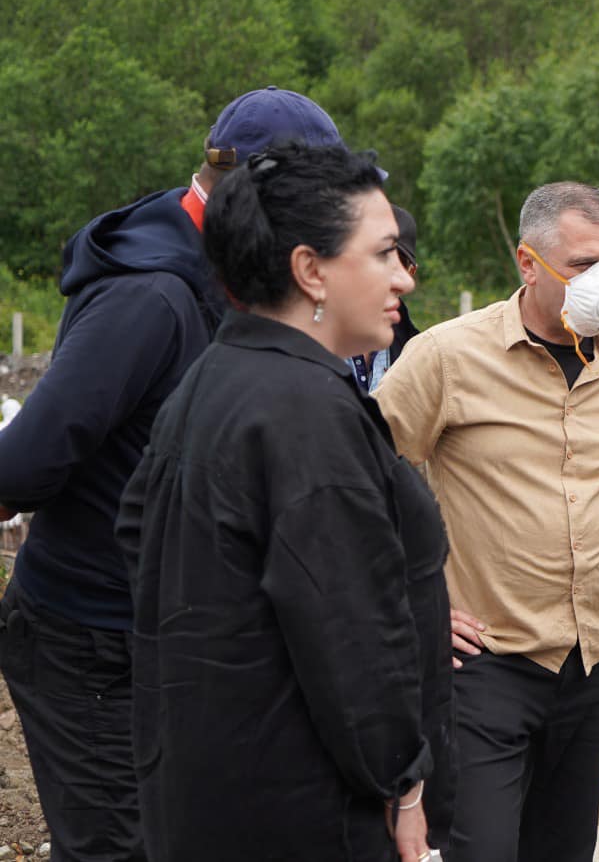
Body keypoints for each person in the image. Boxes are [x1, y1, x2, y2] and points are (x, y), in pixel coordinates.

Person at [0, 85, 348, 861]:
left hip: (166, 632)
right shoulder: (151, 294)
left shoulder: (220, 271)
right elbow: (25, 462)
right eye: (320, 200)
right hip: (92, 636)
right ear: (261, 192)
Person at [115, 141, 452, 860]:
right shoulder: (307, 413)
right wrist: (403, 784)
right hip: (305, 808)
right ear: (310, 269)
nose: (404, 277)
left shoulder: (216, 374)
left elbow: (136, 534)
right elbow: (352, 635)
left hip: (206, 785)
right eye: (383, 254)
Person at [372, 181, 599, 862]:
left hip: (590, 664)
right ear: (528, 263)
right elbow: (355, 481)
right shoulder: (449, 356)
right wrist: (414, 601)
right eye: (583, 264)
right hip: (485, 664)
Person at [347, 204, 421, 392]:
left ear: (412, 271)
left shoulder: (415, 352)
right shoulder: (302, 344)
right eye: (381, 259)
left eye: (402, 264)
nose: (402, 282)